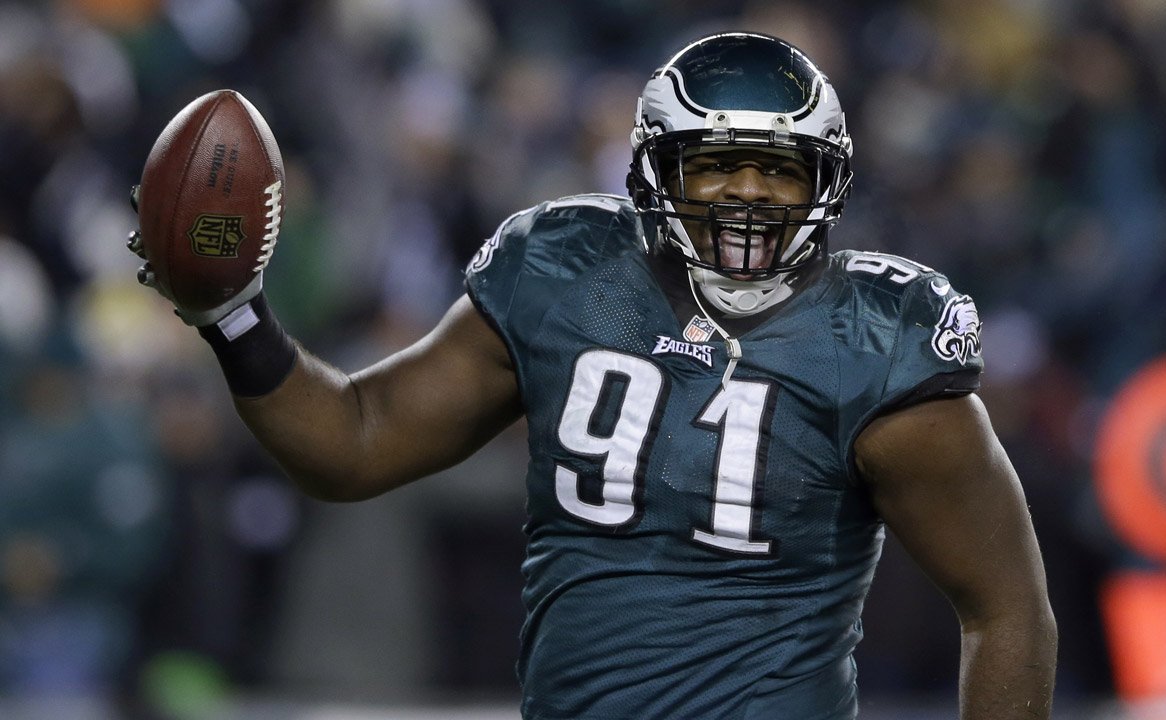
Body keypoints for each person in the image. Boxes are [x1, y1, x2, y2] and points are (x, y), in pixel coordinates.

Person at [129, 31, 1056, 720]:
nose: (748, 192)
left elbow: (1006, 608)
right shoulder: (566, 272)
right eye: (718, 166)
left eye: (778, 170)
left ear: (826, 182)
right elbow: (354, 443)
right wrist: (234, 319)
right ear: (655, 170)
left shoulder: (876, 337)